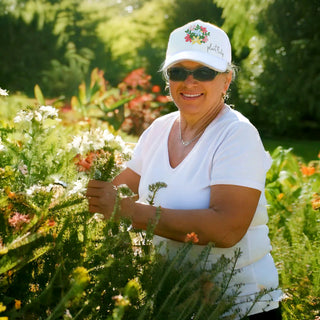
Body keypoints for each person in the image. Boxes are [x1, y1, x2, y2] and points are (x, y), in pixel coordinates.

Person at [86, 19, 282, 319]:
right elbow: (119, 189)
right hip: (173, 300)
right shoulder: (159, 129)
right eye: (178, 72)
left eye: (204, 72)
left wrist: (127, 212)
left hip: (237, 307)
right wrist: (83, 184)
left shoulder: (237, 135)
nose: (189, 82)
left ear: (226, 80)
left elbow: (228, 229)